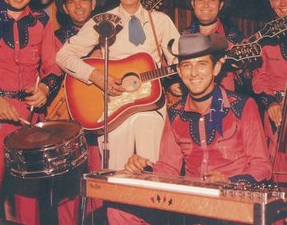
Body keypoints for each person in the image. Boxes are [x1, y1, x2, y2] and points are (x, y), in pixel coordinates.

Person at [107, 33, 272, 224]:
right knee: (118, 211)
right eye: (187, 65)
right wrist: (144, 168)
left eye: (201, 64)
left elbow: (262, 166)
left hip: (233, 204)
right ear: (179, 70)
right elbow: (169, 167)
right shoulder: (175, 113)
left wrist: (230, 182)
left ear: (216, 67)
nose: (194, 73)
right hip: (191, 205)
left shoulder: (242, 106)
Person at [56, 0, 181, 170]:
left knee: (150, 173)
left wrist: (180, 81)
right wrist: (93, 75)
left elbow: (180, 60)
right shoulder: (102, 21)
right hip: (112, 110)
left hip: (150, 110)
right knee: (115, 176)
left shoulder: (160, 22)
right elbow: (63, 55)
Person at [0, 0, 63, 224]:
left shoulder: (42, 21)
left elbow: (54, 67)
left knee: (29, 199)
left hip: (29, 119)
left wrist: (45, 88)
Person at [51, 0, 105, 222]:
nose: (79, 5)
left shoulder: (108, 34)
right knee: (68, 185)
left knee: (99, 180)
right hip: (68, 120)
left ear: (93, 3)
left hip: (100, 115)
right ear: (64, 8)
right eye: (71, 1)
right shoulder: (55, 39)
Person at [253, 0, 287, 183]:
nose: (283, 3)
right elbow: (260, 77)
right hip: (278, 110)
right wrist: (270, 103)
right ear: (270, 3)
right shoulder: (266, 37)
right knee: (279, 174)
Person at [184, 0, 253, 93]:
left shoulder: (236, 38)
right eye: (200, 0)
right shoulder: (182, 37)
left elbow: (249, 81)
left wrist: (241, 68)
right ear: (193, 4)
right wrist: (172, 84)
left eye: (212, 0)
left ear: (220, 5)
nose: (206, 5)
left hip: (227, 106)